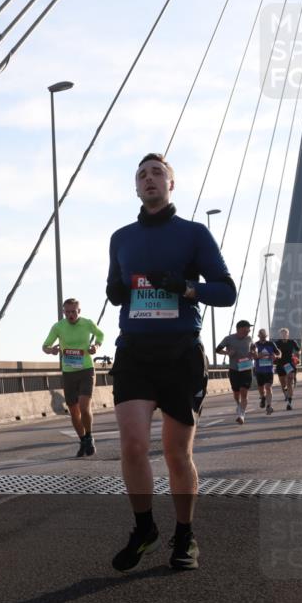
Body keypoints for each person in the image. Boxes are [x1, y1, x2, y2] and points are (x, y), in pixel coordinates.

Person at [105, 153, 236, 572]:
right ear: (136, 187)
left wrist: (186, 288)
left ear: (170, 184)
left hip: (180, 354)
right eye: (141, 174)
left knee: (176, 454)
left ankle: (185, 534)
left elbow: (226, 291)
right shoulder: (121, 238)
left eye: (157, 172)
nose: (149, 179)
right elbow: (116, 284)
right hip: (134, 354)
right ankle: (144, 528)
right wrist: (115, 290)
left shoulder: (194, 234)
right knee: (132, 445)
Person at [42, 298, 105, 456]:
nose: (70, 315)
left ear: (79, 311)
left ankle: (89, 436)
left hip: (86, 370)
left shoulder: (87, 323)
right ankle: (83, 440)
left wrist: (95, 346)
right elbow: (45, 346)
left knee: (84, 407)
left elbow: (100, 334)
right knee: (74, 411)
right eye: (67, 312)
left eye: (73, 312)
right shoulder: (58, 327)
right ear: (64, 312)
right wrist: (52, 350)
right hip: (69, 372)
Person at [214, 321, 256, 424]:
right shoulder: (228, 339)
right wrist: (227, 353)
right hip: (234, 369)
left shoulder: (249, 338)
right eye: (247, 328)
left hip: (246, 369)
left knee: (244, 392)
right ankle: (238, 405)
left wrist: (253, 352)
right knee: (236, 393)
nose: (249, 330)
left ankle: (242, 414)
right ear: (240, 328)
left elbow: (254, 348)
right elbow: (218, 349)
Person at [253, 329, 280, 415]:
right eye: (261, 335)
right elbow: (253, 356)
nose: (263, 337)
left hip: (269, 370)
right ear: (258, 336)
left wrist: (276, 356)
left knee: (268, 387)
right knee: (261, 388)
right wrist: (258, 355)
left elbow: (279, 353)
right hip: (259, 370)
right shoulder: (255, 345)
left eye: (264, 335)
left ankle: (269, 406)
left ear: (266, 336)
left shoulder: (271, 344)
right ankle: (262, 397)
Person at [273, 328, 301, 410]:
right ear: (280, 335)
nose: (284, 335)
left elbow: (298, 350)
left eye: (285, 333)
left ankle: (289, 402)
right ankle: (286, 394)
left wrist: (297, 354)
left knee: (289, 382)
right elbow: (273, 352)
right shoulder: (276, 343)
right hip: (280, 364)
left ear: (288, 334)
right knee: (283, 384)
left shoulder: (292, 342)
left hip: (289, 364)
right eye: (282, 334)